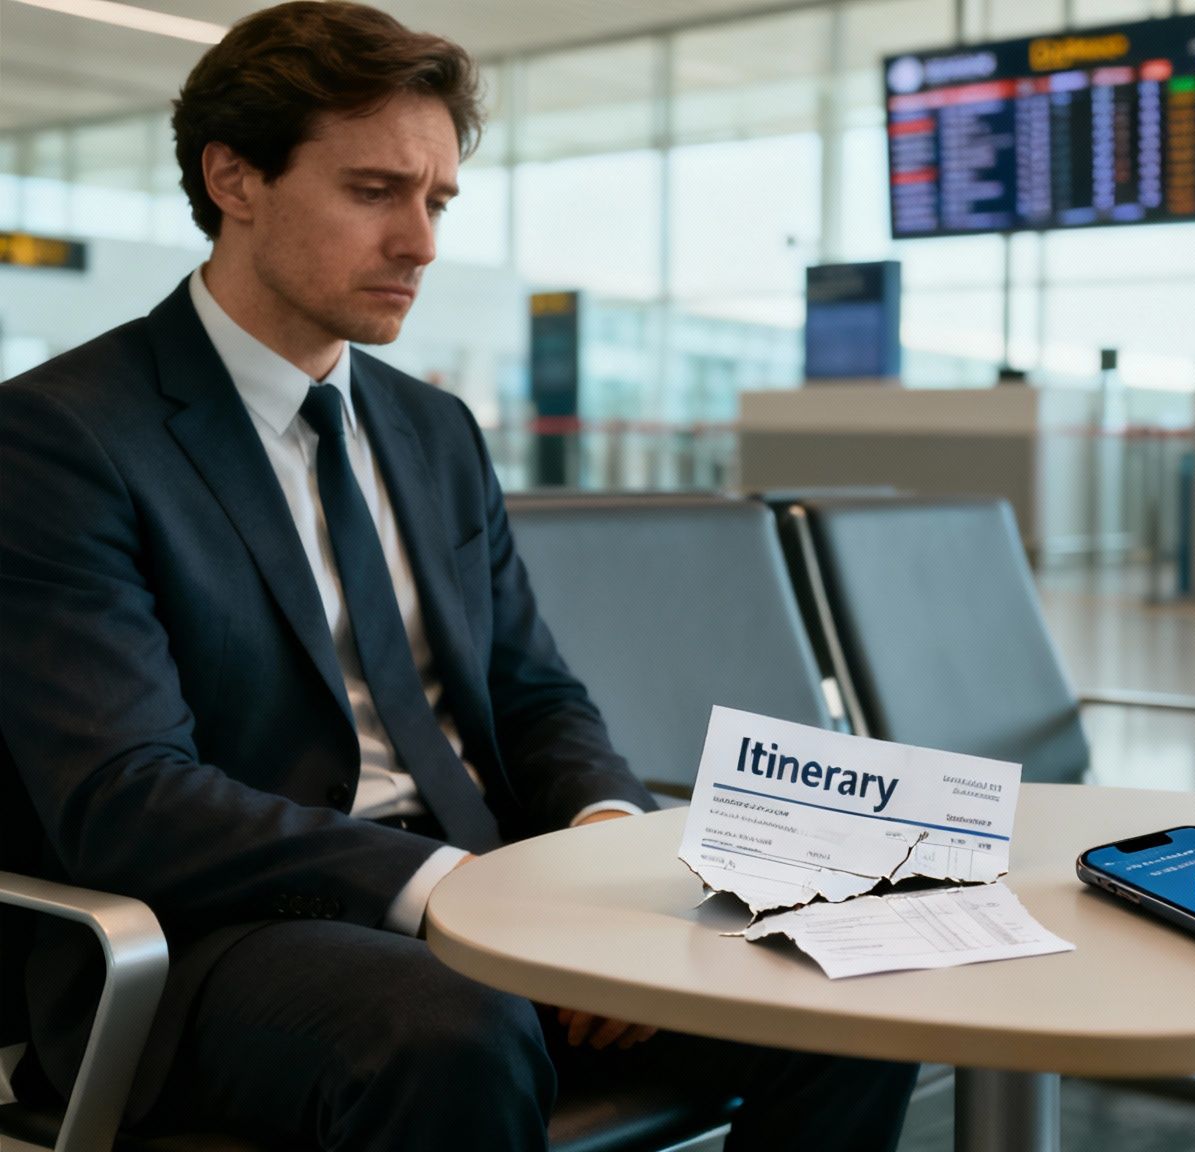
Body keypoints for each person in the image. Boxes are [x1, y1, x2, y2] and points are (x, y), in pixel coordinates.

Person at [0, 4, 916, 1148]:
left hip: (487, 887)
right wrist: (464, 898)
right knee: (451, 1027)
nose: (422, 242)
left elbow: (534, 693)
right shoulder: (63, 438)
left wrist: (596, 831)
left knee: (844, 965)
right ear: (233, 178)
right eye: (374, 191)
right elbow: (125, 796)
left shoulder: (432, 430)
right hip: (214, 936)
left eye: (435, 200)